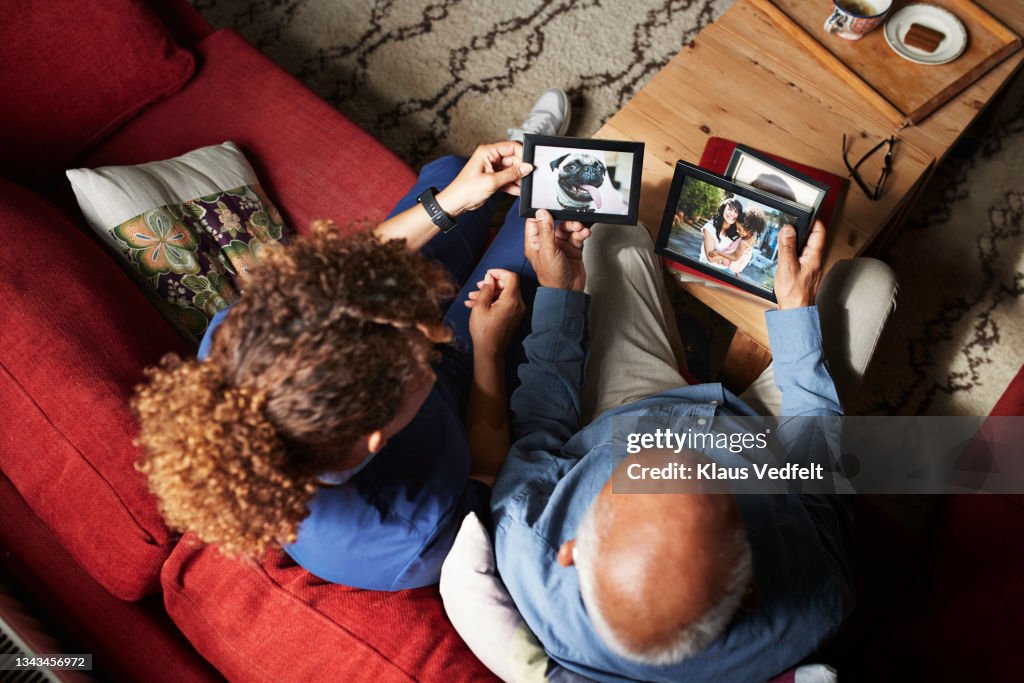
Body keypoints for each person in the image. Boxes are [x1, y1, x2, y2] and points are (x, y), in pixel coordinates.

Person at [132, 90, 575, 591]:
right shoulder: (410, 540)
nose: (430, 325)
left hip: (378, 310)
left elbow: (339, 280)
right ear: (374, 438)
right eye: (417, 350)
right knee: (552, 216)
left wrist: (449, 204)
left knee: (453, 171)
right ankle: (541, 171)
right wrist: (489, 350)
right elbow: (491, 474)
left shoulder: (242, 346)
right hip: (469, 395)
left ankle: (516, 163)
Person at [485, 211, 899, 681]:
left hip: (625, 407)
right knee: (871, 280)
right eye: (720, 486)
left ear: (572, 550)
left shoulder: (524, 536)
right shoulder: (818, 602)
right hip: (769, 443)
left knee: (610, 231)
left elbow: (540, 420)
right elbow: (817, 473)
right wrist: (796, 316)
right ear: (750, 594)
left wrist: (560, 291)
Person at [707, 205, 766, 275]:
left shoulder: (743, 242)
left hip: (729, 268)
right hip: (733, 267)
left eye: (740, 229)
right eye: (737, 228)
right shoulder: (750, 236)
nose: (737, 231)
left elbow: (735, 257)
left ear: (750, 229)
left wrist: (718, 252)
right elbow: (743, 256)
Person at [699, 197, 743, 268]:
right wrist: (732, 253)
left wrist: (721, 255)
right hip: (705, 267)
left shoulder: (737, 233)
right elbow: (711, 258)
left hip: (724, 271)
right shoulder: (709, 228)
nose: (732, 214)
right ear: (723, 210)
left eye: (736, 212)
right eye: (729, 209)